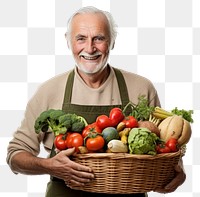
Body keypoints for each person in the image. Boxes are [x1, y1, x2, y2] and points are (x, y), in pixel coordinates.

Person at [7, 6, 186, 197]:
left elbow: (165, 144)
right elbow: (15, 155)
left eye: (99, 38)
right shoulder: (49, 91)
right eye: (81, 38)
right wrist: (48, 166)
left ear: (112, 42)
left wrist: (176, 172)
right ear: (68, 42)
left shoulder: (141, 88)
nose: (90, 48)